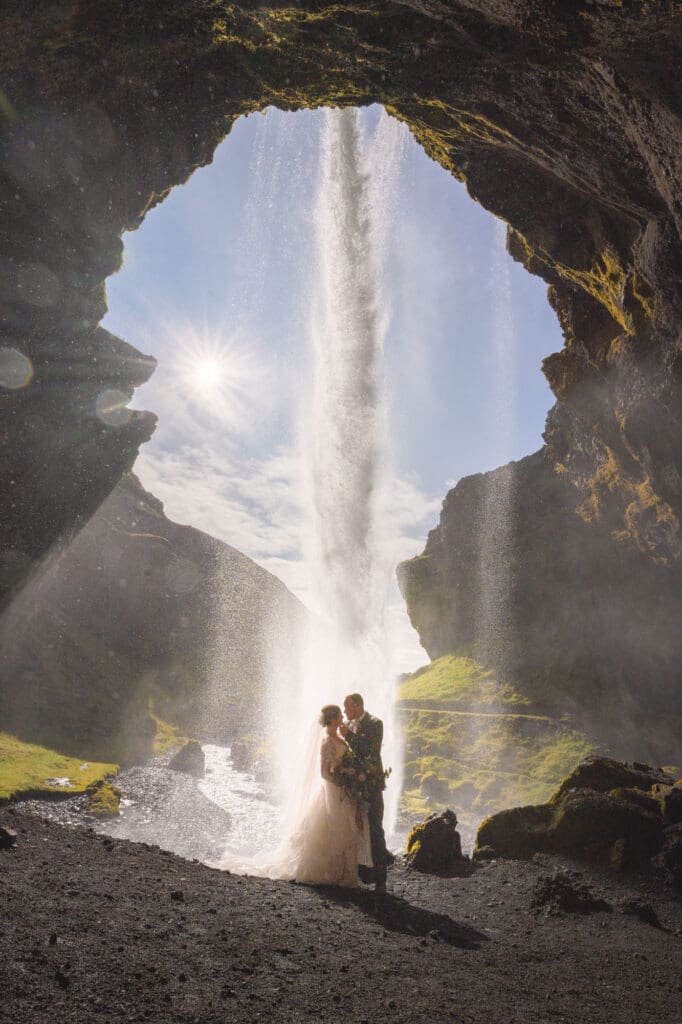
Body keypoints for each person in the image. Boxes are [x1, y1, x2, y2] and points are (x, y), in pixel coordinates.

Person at [218, 704, 370, 887]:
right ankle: (334, 873)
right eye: (339, 715)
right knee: (340, 828)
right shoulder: (327, 741)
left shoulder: (339, 736)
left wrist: (350, 776)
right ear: (333, 719)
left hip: (345, 791)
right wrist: (342, 779)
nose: (342, 717)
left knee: (348, 828)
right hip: (334, 791)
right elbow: (324, 773)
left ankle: (347, 875)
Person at [339, 693, 390, 894]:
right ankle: (357, 874)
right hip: (352, 787)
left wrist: (347, 736)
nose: (345, 712)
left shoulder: (376, 723)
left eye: (347, 707)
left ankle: (381, 881)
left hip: (372, 786)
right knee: (354, 828)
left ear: (358, 706)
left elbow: (369, 750)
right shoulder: (349, 725)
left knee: (376, 830)